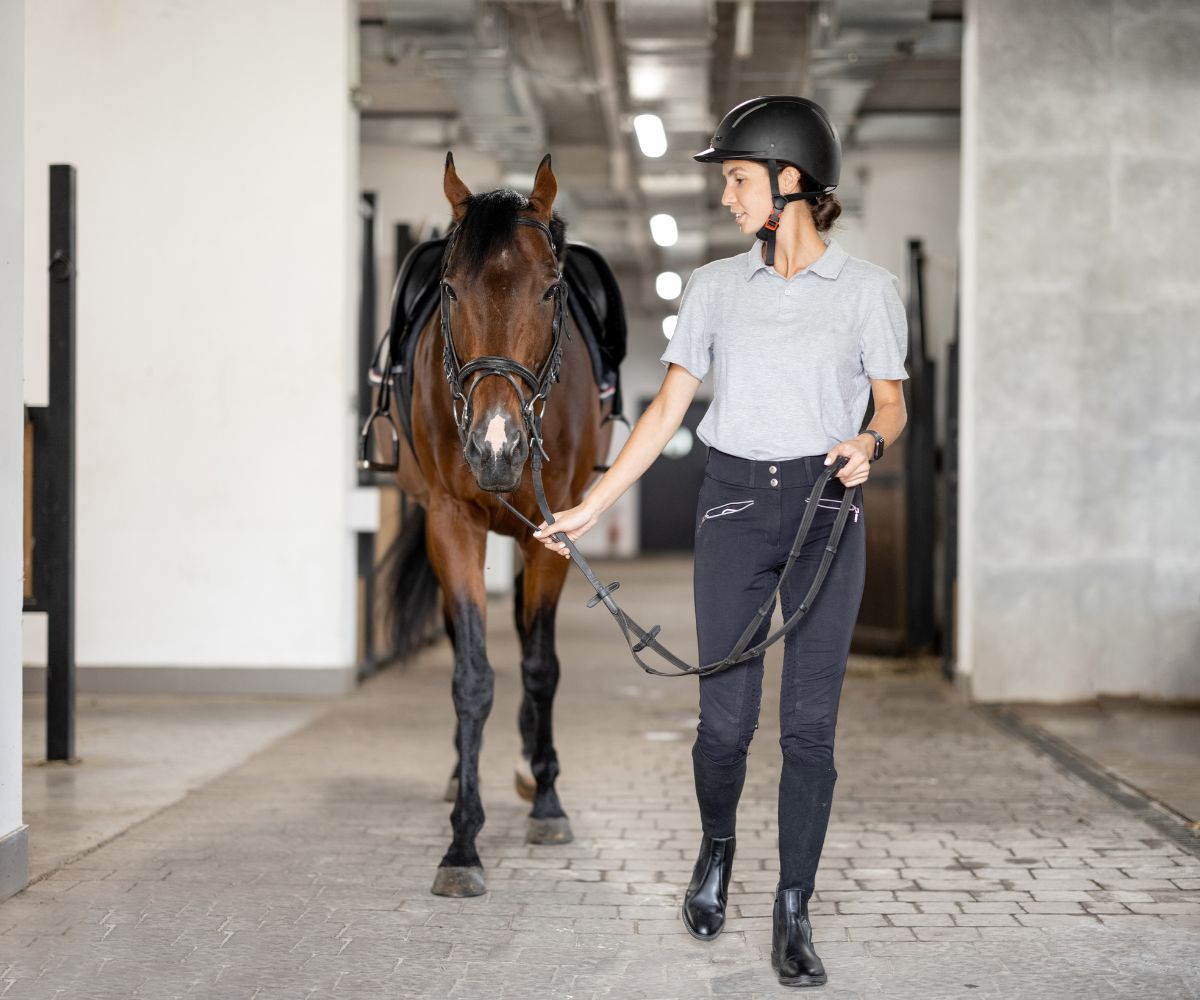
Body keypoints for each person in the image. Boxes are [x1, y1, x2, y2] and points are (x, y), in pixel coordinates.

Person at [534, 95, 908, 989]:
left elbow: (889, 401)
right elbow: (667, 405)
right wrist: (593, 501)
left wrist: (868, 441)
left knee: (809, 731)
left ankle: (793, 910)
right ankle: (716, 848)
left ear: (791, 183)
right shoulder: (712, 288)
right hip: (734, 506)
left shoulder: (867, 292)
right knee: (724, 727)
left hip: (826, 510)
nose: (729, 197)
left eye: (739, 179)